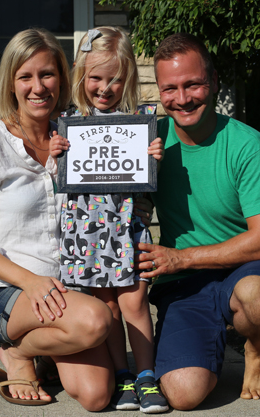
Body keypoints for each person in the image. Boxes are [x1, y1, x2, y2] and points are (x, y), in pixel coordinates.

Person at [0, 28, 114, 410]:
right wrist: (30, 282)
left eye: (47, 74)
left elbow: (108, 197)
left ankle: (26, 348)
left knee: (96, 395)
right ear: (11, 84)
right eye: (25, 77)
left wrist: (147, 166)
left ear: (61, 78)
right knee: (96, 321)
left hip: (62, 288)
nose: (38, 87)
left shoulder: (75, 138)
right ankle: (17, 352)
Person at [135, 33, 260, 411]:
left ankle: (255, 350)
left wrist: (181, 258)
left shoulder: (247, 144)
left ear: (215, 81)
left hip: (244, 270)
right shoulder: (150, 142)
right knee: (183, 394)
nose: (182, 98)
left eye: (193, 84)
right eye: (170, 88)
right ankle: (206, 346)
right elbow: (128, 210)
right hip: (183, 285)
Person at [49, 26, 168, 413]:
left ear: (128, 77)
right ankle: (123, 375)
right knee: (109, 307)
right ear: (82, 76)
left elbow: (148, 184)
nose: (105, 88)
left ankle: (147, 376)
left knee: (135, 302)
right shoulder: (67, 122)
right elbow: (55, 180)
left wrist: (153, 158)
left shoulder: (140, 121)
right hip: (88, 231)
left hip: (128, 227)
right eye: (96, 78)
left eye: (115, 79)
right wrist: (56, 154)